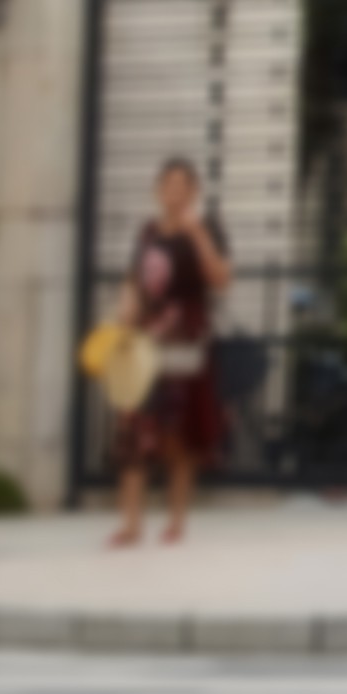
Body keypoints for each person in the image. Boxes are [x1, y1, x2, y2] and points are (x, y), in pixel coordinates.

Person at [110, 156, 232, 549]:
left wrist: (197, 235)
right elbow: (134, 279)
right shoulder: (147, 232)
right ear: (159, 190)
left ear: (194, 191)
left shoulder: (207, 227)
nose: (175, 193)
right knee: (134, 431)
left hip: (186, 344)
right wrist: (125, 309)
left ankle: (176, 520)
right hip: (145, 344)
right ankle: (131, 525)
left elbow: (222, 280)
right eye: (168, 185)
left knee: (179, 434)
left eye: (183, 186)